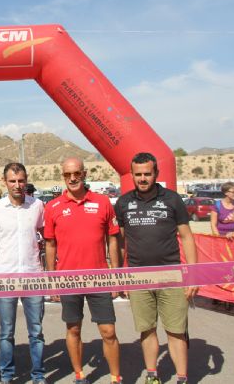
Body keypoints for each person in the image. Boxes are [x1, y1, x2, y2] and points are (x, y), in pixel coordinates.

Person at [114, 152, 198, 384]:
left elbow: (187, 237)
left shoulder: (172, 199)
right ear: (131, 174)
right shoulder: (123, 203)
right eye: (138, 174)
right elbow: (120, 243)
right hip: (139, 277)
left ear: (156, 174)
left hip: (172, 275)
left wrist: (193, 276)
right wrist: (120, 275)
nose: (143, 178)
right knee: (147, 329)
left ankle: (182, 377)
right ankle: (152, 376)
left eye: (147, 174)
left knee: (175, 330)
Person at [43, 157, 123, 384]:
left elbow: (113, 240)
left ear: (84, 174)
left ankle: (116, 377)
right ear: (63, 177)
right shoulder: (53, 207)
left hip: (99, 278)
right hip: (68, 279)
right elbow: (50, 245)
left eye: (77, 173)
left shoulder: (103, 202)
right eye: (67, 175)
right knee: (74, 329)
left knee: (108, 331)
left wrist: (116, 277)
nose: (73, 178)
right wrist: (53, 280)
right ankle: (79, 375)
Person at [0, 162, 47, 384]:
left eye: (21, 180)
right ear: (4, 182)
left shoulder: (37, 206)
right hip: (5, 276)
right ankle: (7, 375)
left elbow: (44, 233)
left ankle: (38, 375)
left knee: (36, 331)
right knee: (6, 331)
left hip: (33, 275)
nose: (17, 185)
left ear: (26, 181)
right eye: (12, 181)